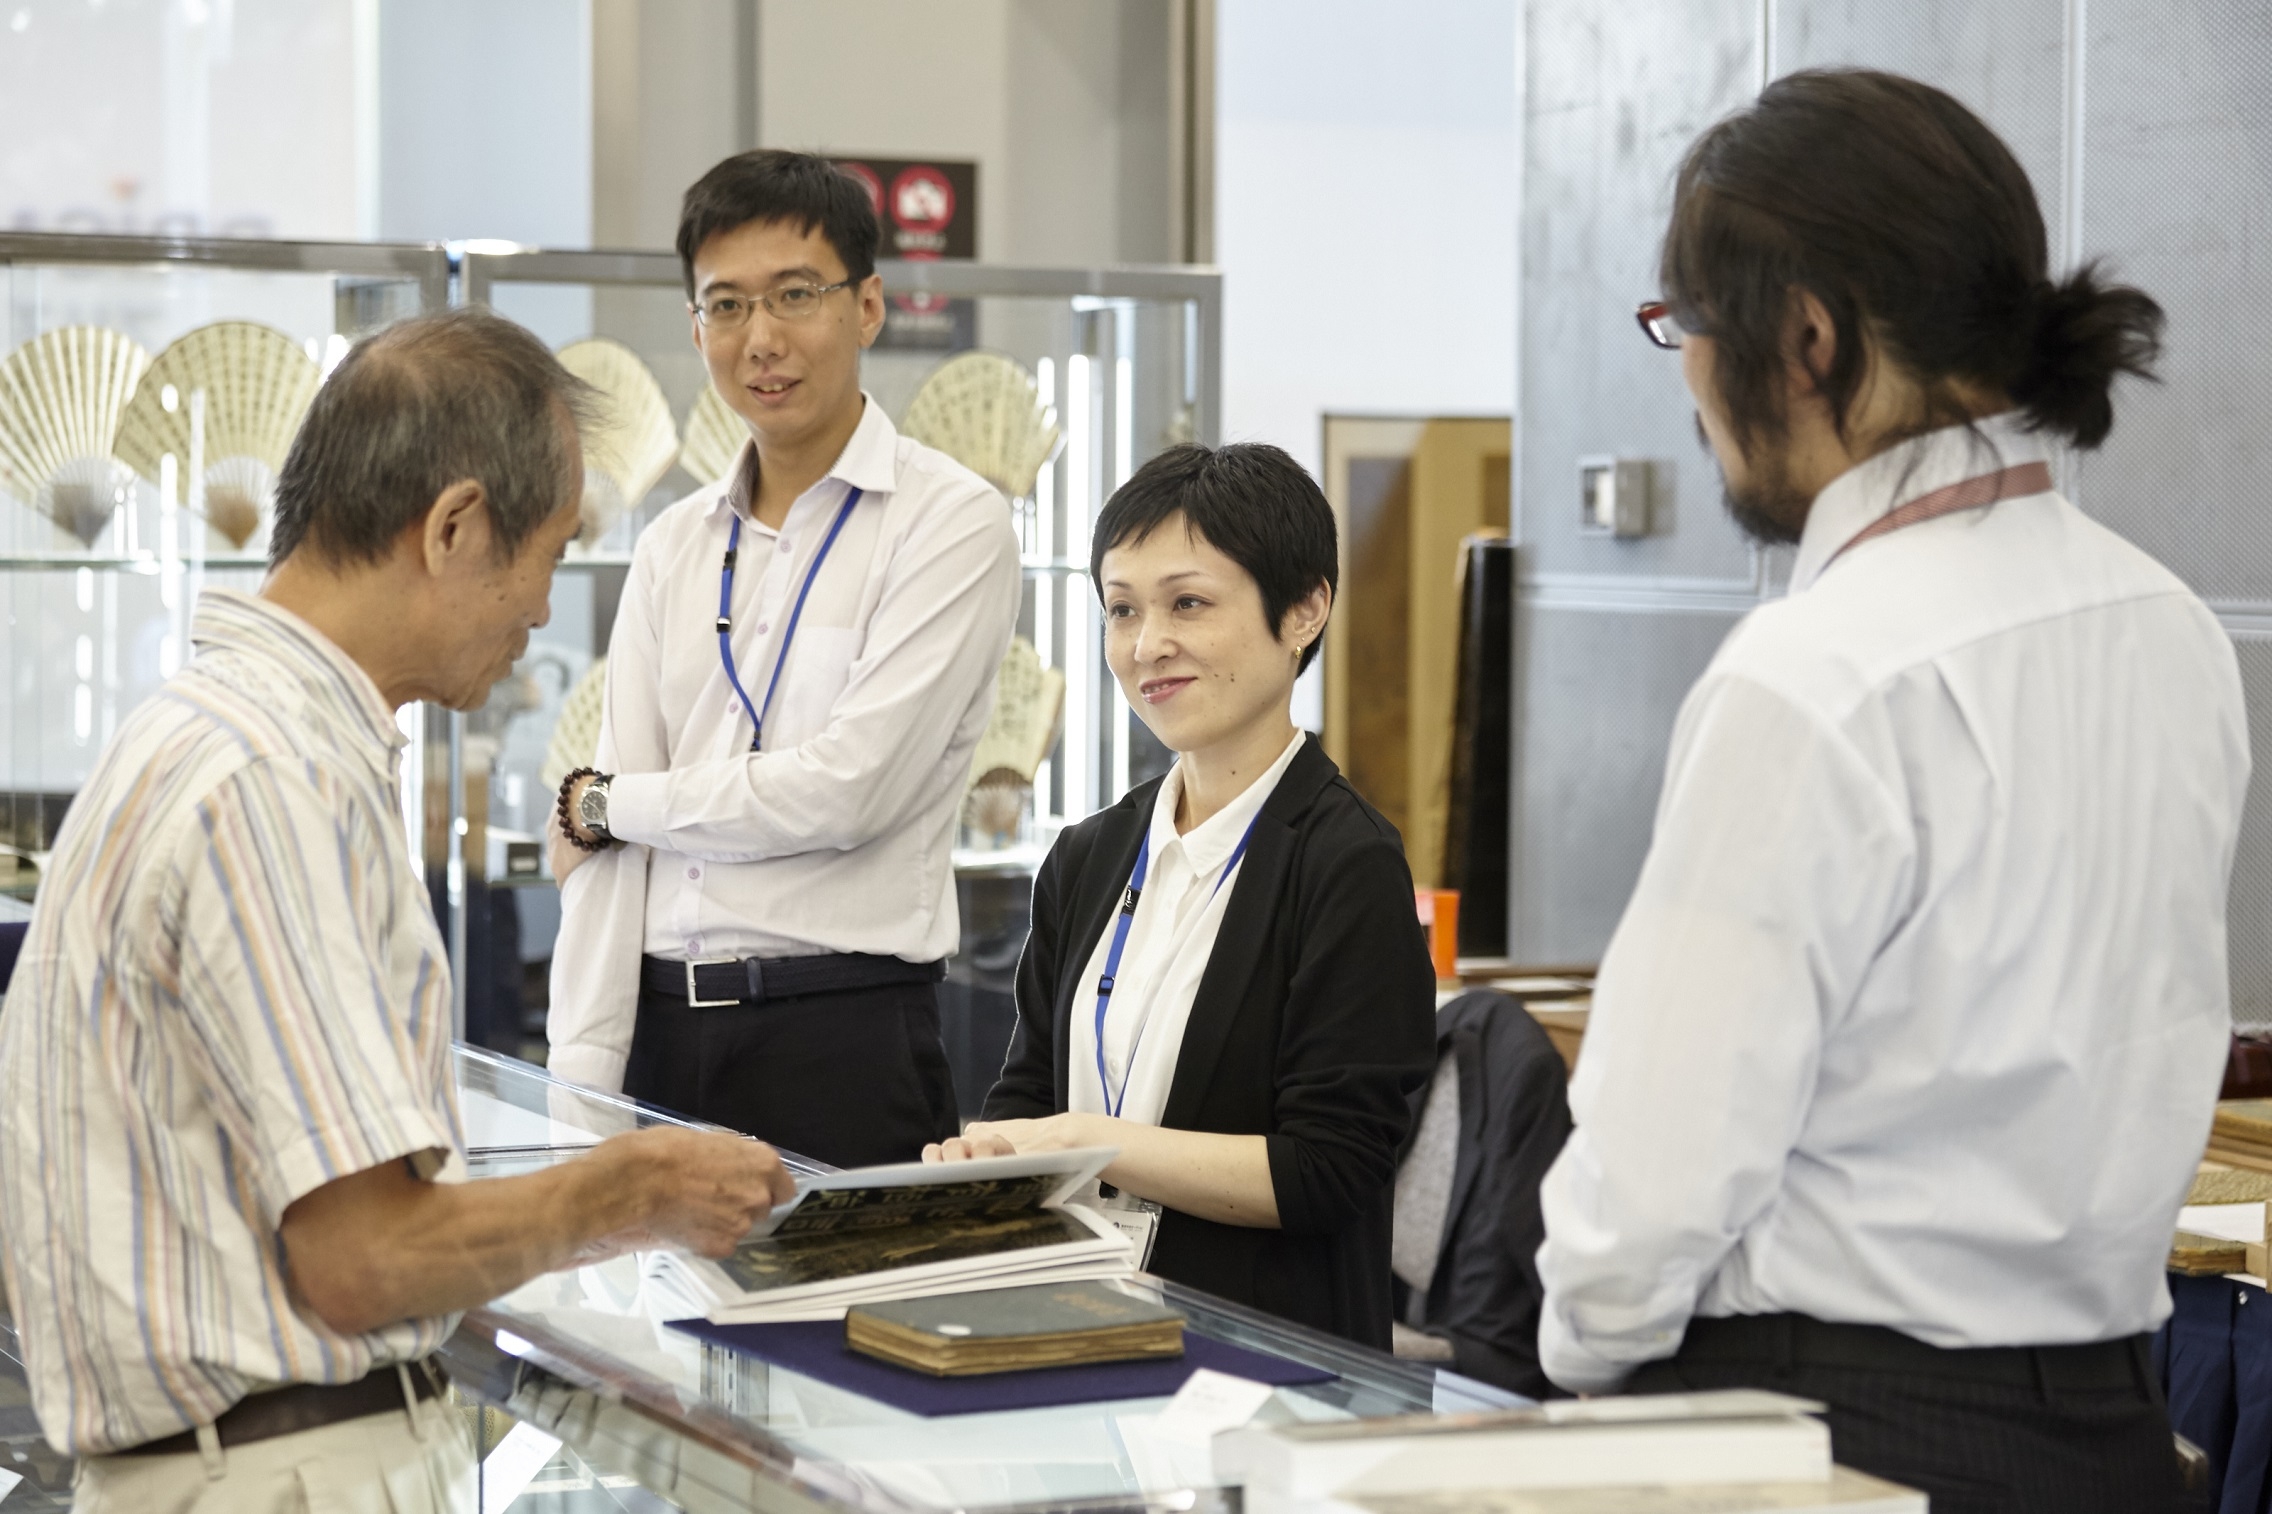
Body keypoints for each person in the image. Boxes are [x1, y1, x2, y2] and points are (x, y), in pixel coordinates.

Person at [1535, 69, 2248, 1513]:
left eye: (1686, 325)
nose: (1686, 381)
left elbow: (1656, 1176)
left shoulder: (1813, 669)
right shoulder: (2169, 625)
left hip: (1821, 1432)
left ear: (1804, 338)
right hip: (2114, 1430)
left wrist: (1578, 1361)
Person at [0, 308, 795, 1512]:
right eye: (550, 551)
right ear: (454, 526)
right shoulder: (273, 775)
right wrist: (629, 1191)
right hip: (282, 1474)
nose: (542, 609)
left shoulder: (209, 733)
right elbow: (365, 1257)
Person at [546, 149, 1021, 1169]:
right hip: (660, 1036)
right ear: (696, 327)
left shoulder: (949, 522)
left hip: (842, 1038)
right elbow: (603, 867)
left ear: (868, 306)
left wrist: (612, 803)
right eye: (726, 305)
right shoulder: (671, 544)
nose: (760, 338)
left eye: (795, 295)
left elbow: (848, 791)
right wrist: (580, 1089)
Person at [929, 443, 1437, 1347]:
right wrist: (990, 1152)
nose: (1147, 645)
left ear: (1304, 610)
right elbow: (1029, 1091)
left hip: (1258, 1363)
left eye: (1188, 604)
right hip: (1074, 1330)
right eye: (1122, 609)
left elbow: (1330, 1170)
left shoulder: (1346, 862)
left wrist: (1083, 1142)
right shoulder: (1089, 855)